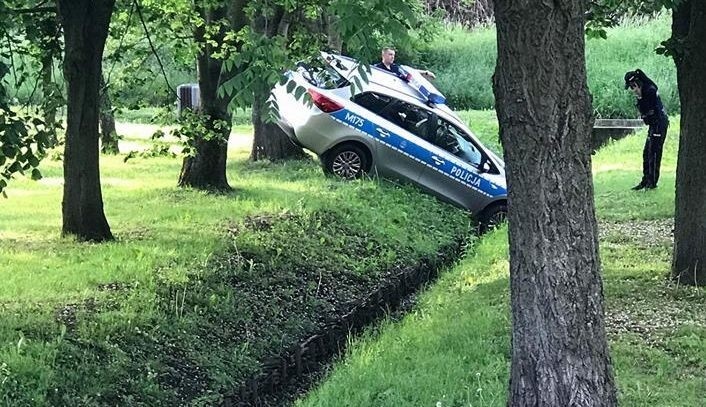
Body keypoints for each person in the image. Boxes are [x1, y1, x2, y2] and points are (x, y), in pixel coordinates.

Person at [624, 69, 669, 190]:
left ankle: (652, 182)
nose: (632, 90)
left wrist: (640, 98)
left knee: (654, 153)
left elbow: (648, 113)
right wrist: (640, 99)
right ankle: (645, 180)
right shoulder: (644, 92)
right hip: (653, 124)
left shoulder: (649, 91)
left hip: (659, 124)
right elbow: (646, 118)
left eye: (633, 87)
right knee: (646, 153)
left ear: (636, 84)